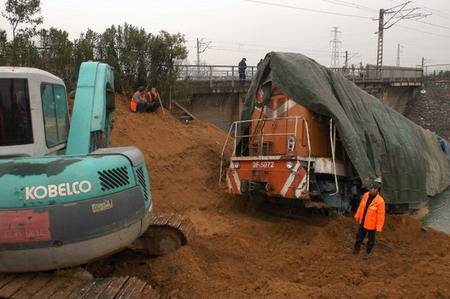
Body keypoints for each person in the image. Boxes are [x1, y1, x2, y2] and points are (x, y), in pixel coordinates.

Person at [351, 181, 385, 259]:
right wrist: (357, 216)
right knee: (359, 236)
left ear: (376, 189)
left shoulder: (380, 201)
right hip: (363, 222)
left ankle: (368, 252)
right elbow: (361, 207)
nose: (369, 190)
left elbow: (381, 216)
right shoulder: (366, 195)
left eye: (371, 188)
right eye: (369, 188)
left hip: (372, 225)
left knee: (371, 240)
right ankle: (356, 250)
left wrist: (379, 227)